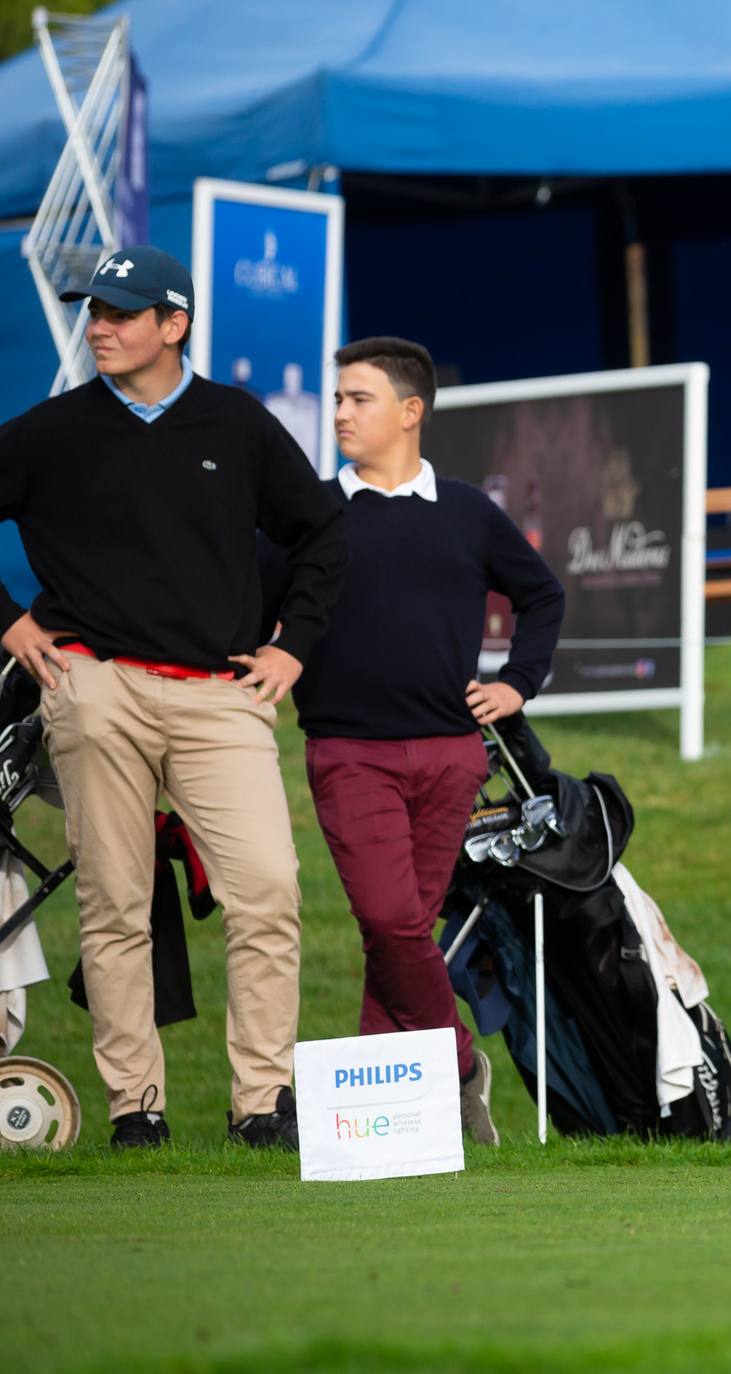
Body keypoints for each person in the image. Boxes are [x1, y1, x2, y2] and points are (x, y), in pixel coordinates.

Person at [0, 245, 347, 1149]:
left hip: (220, 697)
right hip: (94, 687)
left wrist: (293, 649)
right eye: (94, 312)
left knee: (267, 890)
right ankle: (135, 1111)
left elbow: (323, 532)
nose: (99, 327)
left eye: (120, 312)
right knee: (115, 904)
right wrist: (9, 623)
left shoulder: (236, 423)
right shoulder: (50, 431)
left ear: (174, 324)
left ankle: (261, 1105)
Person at [279, 335, 566, 1149]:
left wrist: (518, 683)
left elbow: (543, 596)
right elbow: (248, 599)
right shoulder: (312, 513)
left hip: (451, 757)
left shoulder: (470, 512)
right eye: (336, 398)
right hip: (348, 753)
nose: (339, 412)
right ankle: (462, 1061)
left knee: (393, 933)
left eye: (356, 398)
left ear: (411, 411)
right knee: (392, 920)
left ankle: (381, 1130)